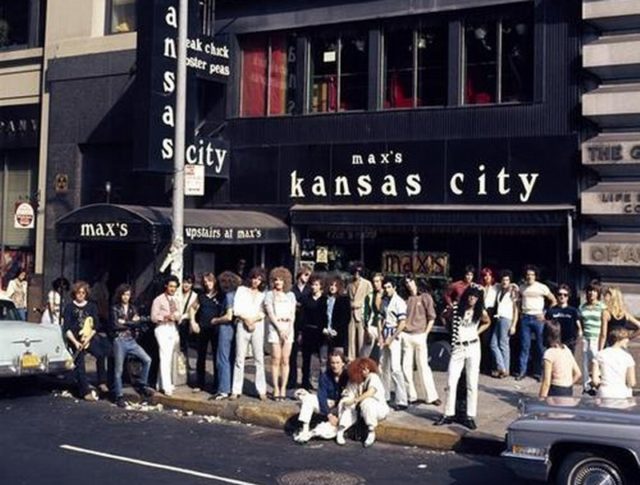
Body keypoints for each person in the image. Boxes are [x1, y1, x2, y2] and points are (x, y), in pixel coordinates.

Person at [435, 286, 491, 430]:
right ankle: (448, 413)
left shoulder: (480, 311)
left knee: (472, 382)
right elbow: (444, 316)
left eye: (475, 297)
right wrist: (449, 326)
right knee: (451, 381)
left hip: (472, 346)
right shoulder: (456, 308)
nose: (472, 299)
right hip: (458, 346)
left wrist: (477, 332)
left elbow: (487, 322)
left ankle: (470, 415)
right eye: (470, 296)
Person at [62, 281, 111, 401]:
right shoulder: (69, 307)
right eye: (78, 293)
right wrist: (76, 343)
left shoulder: (91, 306)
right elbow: (66, 328)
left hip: (89, 337)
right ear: (75, 293)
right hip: (75, 339)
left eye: (83, 293)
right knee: (80, 364)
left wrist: (88, 339)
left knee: (100, 354)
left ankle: (102, 382)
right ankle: (85, 391)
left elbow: (95, 326)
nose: (81, 295)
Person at [109, 284, 154, 408]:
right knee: (119, 370)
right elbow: (115, 325)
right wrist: (132, 323)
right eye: (124, 294)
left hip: (131, 340)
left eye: (128, 294)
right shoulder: (114, 308)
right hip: (119, 340)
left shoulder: (133, 308)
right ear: (120, 295)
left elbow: (138, 323)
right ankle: (119, 396)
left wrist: (126, 322)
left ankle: (142, 384)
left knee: (147, 359)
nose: (126, 297)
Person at [293, 349, 348, 444]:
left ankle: (314, 433)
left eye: (338, 363)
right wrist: (329, 414)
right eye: (332, 363)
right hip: (328, 404)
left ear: (343, 363)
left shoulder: (348, 376)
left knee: (328, 432)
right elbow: (321, 396)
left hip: (341, 407)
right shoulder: (325, 376)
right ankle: (305, 428)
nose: (335, 365)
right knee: (309, 398)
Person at [402, 274, 440, 406]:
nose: (409, 284)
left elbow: (431, 317)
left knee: (423, 366)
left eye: (410, 281)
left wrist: (426, 333)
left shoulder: (425, 297)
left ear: (415, 282)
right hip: (406, 335)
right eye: (406, 282)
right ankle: (411, 396)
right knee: (406, 367)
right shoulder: (405, 299)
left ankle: (431, 396)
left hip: (420, 335)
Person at [231, 267, 267, 401]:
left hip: (257, 325)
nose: (255, 281)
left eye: (259, 279)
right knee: (240, 358)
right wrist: (246, 320)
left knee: (259, 358)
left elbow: (263, 311)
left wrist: (253, 320)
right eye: (254, 278)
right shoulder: (241, 290)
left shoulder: (263, 294)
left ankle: (261, 390)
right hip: (242, 323)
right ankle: (236, 389)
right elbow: (237, 309)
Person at [336, 357, 389, 448]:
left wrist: (356, 400)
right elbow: (349, 394)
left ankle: (371, 432)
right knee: (347, 405)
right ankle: (340, 430)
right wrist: (347, 401)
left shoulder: (373, 377)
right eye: (363, 369)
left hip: (378, 409)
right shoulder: (354, 381)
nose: (366, 371)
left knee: (366, 402)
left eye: (367, 368)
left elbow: (371, 392)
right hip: (360, 410)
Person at [516, 265, 556, 381]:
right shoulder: (522, 287)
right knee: (524, 346)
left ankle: (540, 373)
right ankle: (522, 372)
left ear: (535, 276)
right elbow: (518, 301)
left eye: (532, 274)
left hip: (538, 319)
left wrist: (545, 313)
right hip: (525, 318)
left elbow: (553, 300)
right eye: (528, 274)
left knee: (540, 346)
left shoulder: (542, 287)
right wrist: (520, 313)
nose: (529, 277)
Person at [264, 267, 297, 401]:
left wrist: (289, 328)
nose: (278, 282)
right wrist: (279, 329)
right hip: (275, 327)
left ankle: (283, 387)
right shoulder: (269, 295)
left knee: (285, 359)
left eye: (281, 280)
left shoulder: (290, 295)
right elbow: (270, 313)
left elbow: (293, 313)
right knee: (275, 359)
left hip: (288, 327)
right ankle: (275, 387)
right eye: (276, 280)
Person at [191, 273, 227, 392]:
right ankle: (199, 383)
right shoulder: (201, 295)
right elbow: (192, 308)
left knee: (217, 356)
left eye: (210, 281)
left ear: (214, 281)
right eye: (205, 282)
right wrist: (193, 322)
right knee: (201, 356)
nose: (208, 283)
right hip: (203, 328)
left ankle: (217, 384)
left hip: (216, 329)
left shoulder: (221, 296)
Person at [379, 277, 408, 411]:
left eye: (389, 287)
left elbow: (402, 323)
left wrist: (392, 337)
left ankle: (402, 400)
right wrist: (380, 336)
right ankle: (384, 396)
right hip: (385, 333)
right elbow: (381, 319)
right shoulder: (384, 301)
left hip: (395, 335)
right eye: (385, 287)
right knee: (383, 366)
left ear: (394, 288)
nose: (387, 290)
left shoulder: (400, 302)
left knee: (395, 368)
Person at [213, 271, 242, 400]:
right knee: (231, 358)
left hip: (225, 328)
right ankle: (230, 386)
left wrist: (216, 320)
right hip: (236, 328)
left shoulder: (229, 296)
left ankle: (223, 389)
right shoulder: (238, 295)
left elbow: (229, 316)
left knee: (222, 358)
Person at [150, 275, 181, 396]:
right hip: (162, 328)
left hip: (172, 328)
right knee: (165, 356)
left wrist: (177, 317)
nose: (173, 289)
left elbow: (179, 314)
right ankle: (167, 386)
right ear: (166, 286)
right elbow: (153, 317)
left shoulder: (176, 300)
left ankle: (160, 383)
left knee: (169, 356)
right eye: (171, 286)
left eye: (175, 286)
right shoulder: (158, 300)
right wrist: (165, 317)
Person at [538, 321, 581, 398]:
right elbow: (578, 373)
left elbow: (546, 382)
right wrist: (568, 384)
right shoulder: (566, 349)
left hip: (556, 389)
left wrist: (541, 399)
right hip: (568, 390)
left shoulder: (549, 353)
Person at [300, 275, 327, 390]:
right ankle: (305, 383)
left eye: (316, 285)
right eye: (312, 284)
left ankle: (322, 383)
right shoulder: (306, 299)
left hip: (321, 332)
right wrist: (301, 332)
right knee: (306, 359)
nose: (313, 287)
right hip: (308, 331)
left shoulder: (325, 300)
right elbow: (302, 316)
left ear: (321, 286)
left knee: (322, 359)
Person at [592, 328, 636, 399]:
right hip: (622, 392)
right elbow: (632, 382)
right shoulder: (628, 357)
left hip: (605, 391)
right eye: (626, 338)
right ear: (620, 339)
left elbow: (595, 380)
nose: (628, 341)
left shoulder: (600, 354)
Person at [579, 283, 607, 394]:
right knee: (585, 364)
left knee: (598, 363)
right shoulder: (582, 307)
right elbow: (581, 321)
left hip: (597, 338)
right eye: (590, 291)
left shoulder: (602, 306)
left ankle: (598, 385)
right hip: (586, 338)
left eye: (594, 291)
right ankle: (587, 387)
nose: (592, 293)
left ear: (598, 293)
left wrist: (602, 342)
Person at [490, 270, 519, 378]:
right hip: (498, 318)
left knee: (503, 345)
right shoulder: (500, 290)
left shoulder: (513, 292)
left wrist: (514, 325)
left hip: (506, 319)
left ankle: (505, 369)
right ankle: (502, 368)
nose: (504, 282)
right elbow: (495, 284)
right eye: (503, 280)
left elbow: (516, 309)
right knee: (493, 344)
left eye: (507, 280)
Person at [288, 265, 312, 389]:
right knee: (292, 353)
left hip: (306, 323)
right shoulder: (292, 289)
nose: (307, 278)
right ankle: (291, 380)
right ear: (300, 274)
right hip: (293, 324)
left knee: (306, 354)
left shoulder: (309, 289)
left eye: (308, 275)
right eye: (305, 274)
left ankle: (305, 381)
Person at [346, 262, 373, 361]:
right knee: (351, 339)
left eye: (358, 272)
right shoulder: (349, 284)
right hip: (351, 314)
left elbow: (370, 299)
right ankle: (351, 359)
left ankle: (362, 359)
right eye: (355, 272)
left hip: (361, 313)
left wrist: (365, 311)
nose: (356, 274)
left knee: (361, 339)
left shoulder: (367, 284)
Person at [600, 287, 640, 351]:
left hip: (610, 345)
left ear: (612, 297)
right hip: (622, 345)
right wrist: (628, 338)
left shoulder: (606, 313)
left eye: (606, 295)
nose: (604, 298)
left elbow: (603, 335)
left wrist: (600, 350)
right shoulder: (624, 313)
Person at [545, 284, 582, 354]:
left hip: (569, 343)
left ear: (568, 297)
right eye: (560, 294)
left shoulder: (573, 311)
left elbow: (579, 327)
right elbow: (547, 328)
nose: (562, 296)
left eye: (565, 295)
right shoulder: (550, 311)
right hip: (554, 343)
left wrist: (577, 339)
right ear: (556, 295)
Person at [177, 275, 198, 363]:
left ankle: (184, 363)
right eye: (184, 282)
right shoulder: (177, 293)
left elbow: (193, 311)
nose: (186, 285)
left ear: (192, 284)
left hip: (186, 322)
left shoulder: (195, 296)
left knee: (183, 345)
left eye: (189, 283)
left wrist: (182, 317)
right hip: (176, 319)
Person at [326, 276, 350, 354]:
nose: (332, 287)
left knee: (338, 356)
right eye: (331, 285)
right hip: (325, 332)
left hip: (338, 333)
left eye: (335, 285)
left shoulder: (344, 300)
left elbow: (346, 318)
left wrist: (336, 330)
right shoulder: (324, 299)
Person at [362, 272, 384, 358]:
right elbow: (365, 312)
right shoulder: (370, 296)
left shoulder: (387, 294)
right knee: (366, 351)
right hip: (372, 325)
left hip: (384, 326)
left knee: (383, 353)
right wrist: (366, 327)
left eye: (378, 281)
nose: (376, 284)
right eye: (374, 282)